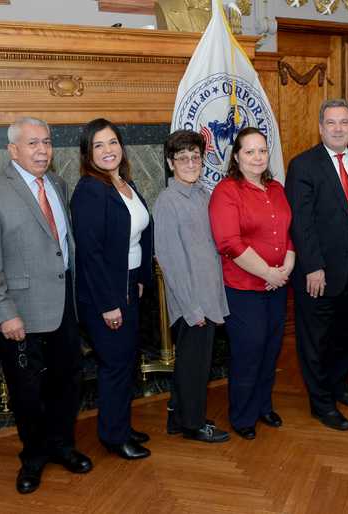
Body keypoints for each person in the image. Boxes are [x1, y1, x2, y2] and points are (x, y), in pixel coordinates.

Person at [0, 117, 92, 494]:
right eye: (33, 143)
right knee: (27, 391)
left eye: (47, 142)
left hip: (64, 307)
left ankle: (62, 446)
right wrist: (4, 313)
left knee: (67, 383)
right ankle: (33, 458)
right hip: (20, 314)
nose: (42, 150)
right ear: (13, 150)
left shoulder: (58, 183)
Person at [284, 98, 348, 431]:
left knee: (347, 333)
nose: (338, 129)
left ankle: (341, 387)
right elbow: (301, 222)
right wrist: (312, 266)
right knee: (316, 339)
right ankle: (321, 402)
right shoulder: (303, 165)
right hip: (320, 271)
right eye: (331, 123)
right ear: (321, 128)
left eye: (344, 123)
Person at [70, 118, 153, 460]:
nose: (108, 150)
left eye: (113, 142)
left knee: (125, 361)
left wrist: (141, 279)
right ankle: (113, 437)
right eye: (99, 145)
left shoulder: (124, 182)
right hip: (105, 294)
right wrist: (109, 304)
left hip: (129, 285)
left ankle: (121, 424)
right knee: (115, 364)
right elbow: (91, 254)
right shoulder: (90, 190)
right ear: (88, 154)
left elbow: (139, 235)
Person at [209, 127, 295, 440]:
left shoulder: (276, 189)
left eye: (262, 151)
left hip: (277, 284)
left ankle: (263, 406)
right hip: (244, 288)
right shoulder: (227, 191)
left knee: (271, 348)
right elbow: (229, 242)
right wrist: (267, 273)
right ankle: (242, 415)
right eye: (249, 151)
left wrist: (287, 265)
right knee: (249, 351)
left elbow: (286, 232)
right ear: (236, 156)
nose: (257, 157)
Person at [153, 129, 230, 443]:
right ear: (171, 163)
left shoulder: (203, 193)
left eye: (195, 157)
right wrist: (191, 307)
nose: (189, 163)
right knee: (195, 367)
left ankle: (176, 415)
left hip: (209, 295)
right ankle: (194, 423)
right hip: (192, 301)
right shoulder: (168, 202)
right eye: (182, 158)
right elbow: (171, 261)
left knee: (193, 361)